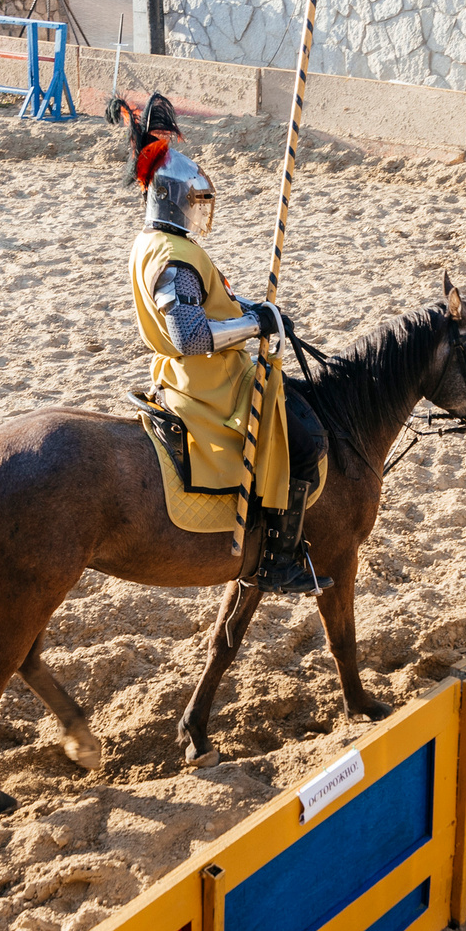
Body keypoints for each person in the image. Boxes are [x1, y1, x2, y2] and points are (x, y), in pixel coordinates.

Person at [125, 96, 326, 594]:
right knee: (304, 443)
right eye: (197, 201)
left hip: (190, 374)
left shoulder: (152, 242)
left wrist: (255, 311)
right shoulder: (174, 255)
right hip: (211, 385)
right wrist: (256, 324)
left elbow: (208, 310)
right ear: (176, 198)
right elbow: (190, 336)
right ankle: (279, 559)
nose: (200, 211)